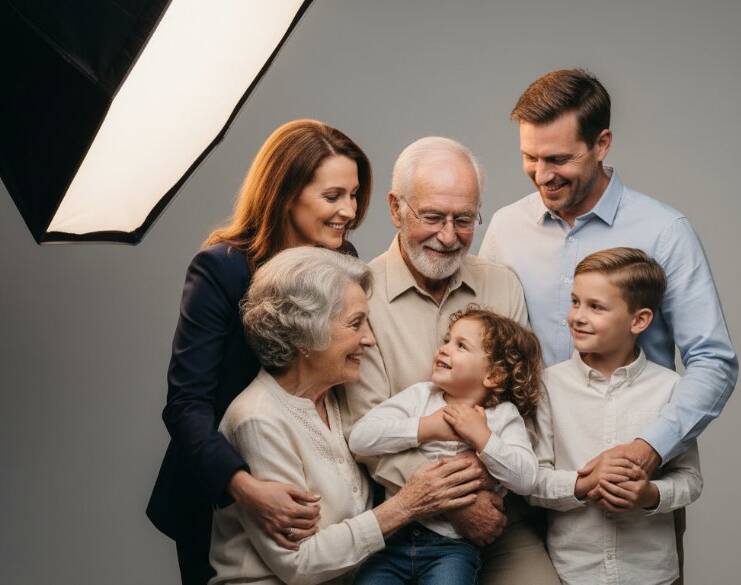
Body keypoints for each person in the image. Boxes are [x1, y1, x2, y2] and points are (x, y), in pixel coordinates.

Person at [479, 70, 737, 576]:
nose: (541, 174)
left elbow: (713, 361)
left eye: (558, 159)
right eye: (530, 157)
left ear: (602, 144)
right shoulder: (507, 229)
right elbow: (484, 343)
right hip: (524, 481)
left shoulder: (664, 231)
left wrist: (647, 451)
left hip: (633, 494)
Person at [147, 119, 374, 585]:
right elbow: (186, 404)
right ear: (286, 192)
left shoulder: (342, 257)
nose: (349, 211)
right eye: (333, 197)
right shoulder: (221, 269)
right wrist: (243, 487)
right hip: (221, 489)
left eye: (354, 195)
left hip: (306, 476)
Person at [340, 137, 561, 585]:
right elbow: (363, 432)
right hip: (402, 519)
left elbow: (524, 405)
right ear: (396, 208)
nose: (448, 236)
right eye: (433, 217)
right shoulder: (359, 294)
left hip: (498, 511)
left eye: (463, 220)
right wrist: (457, 503)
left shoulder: (502, 286)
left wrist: (485, 487)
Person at [209, 247, 482, 585]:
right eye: (356, 324)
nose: (368, 338)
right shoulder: (258, 419)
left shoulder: (334, 398)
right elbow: (299, 563)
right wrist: (406, 505)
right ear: (306, 334)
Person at [530, 248, 702, 585]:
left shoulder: (670, 389)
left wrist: (650, 494)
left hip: (651, 573)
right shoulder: (549, 385)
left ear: (639, 320)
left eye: (596, 307)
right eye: (575, 301)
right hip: (572, 572)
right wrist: (583, 484)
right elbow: (532, 481)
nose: (577, 316)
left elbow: (691, 480)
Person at [348, 307, 543, 584]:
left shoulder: (502, 417)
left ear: (494, 376)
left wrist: (483, 439)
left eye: (461, 346)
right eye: (447, 340)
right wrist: (428, 427)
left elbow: (526, 479)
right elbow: (361, 438)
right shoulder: (421, 397)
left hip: (452, 549)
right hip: (394, 536)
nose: (444, 349)